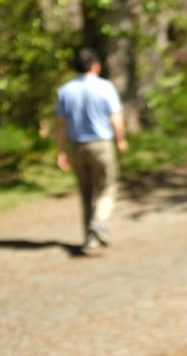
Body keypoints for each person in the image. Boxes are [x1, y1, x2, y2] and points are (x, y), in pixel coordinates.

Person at [56, 47, 128, 251]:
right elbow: (115, 117)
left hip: (77, 146)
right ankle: (99, 222)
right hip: (101, 144)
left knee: (86, 192)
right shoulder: (105, 87)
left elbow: (61, 124)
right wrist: (121, 139)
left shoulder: (65, 90)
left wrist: (61, 151)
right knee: (106, 187)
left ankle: (90, 238)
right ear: (96, 65)